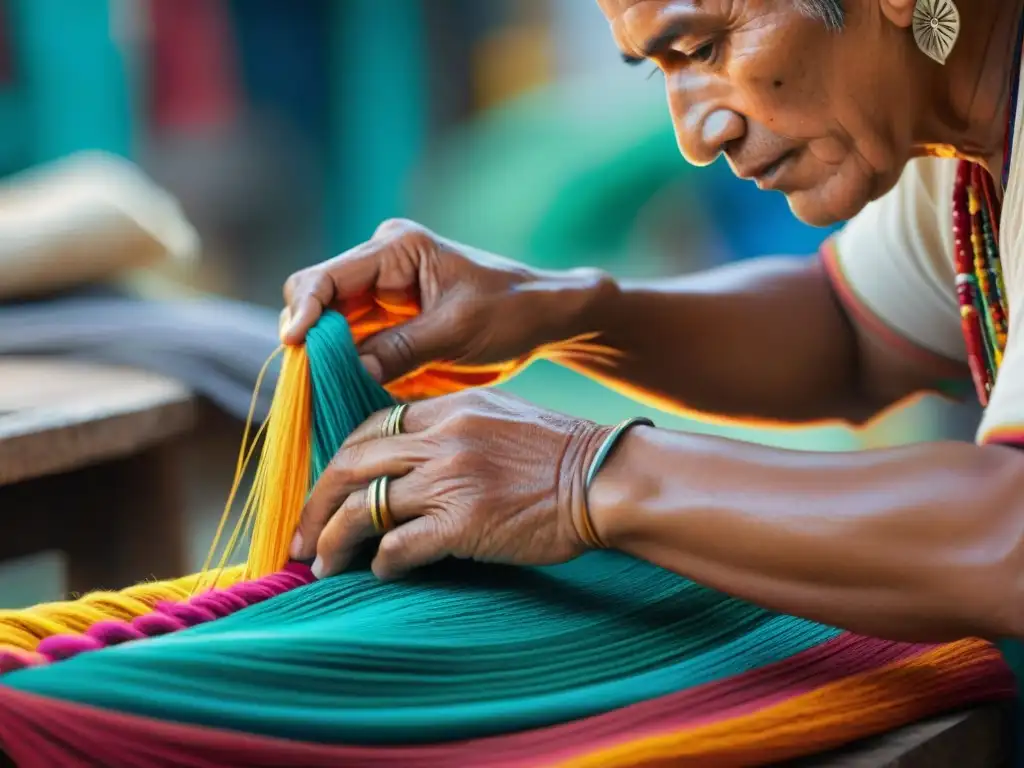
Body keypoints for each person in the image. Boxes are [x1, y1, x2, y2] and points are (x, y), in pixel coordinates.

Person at [283, 0, 1024, 668]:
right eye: (658, 69)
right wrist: (556, 311)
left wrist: (584, 477)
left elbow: (1012, 539)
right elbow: (851, 331)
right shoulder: (957, 135)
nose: (698, 138)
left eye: (704, 49)